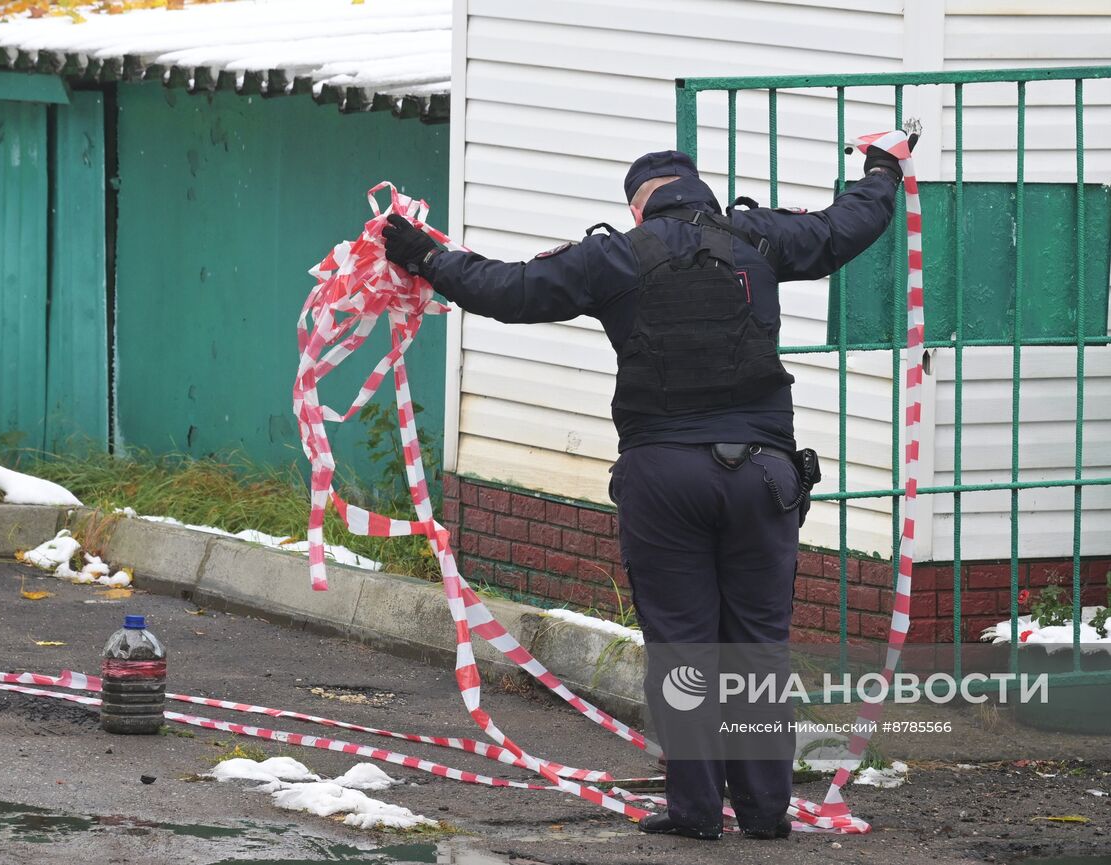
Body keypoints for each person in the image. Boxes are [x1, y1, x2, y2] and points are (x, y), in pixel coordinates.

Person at [383, 140, 905, 840]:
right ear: (699, 192)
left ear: (638, 203)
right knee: (756, 645)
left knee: (684, 646)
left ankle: (693, 812)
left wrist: (424, 256)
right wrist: (881, 172)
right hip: (762, 474)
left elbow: (509, 290)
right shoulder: (757, 236)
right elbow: (846, 227)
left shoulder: (615, 257)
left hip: (664, 478)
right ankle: (764, 809)